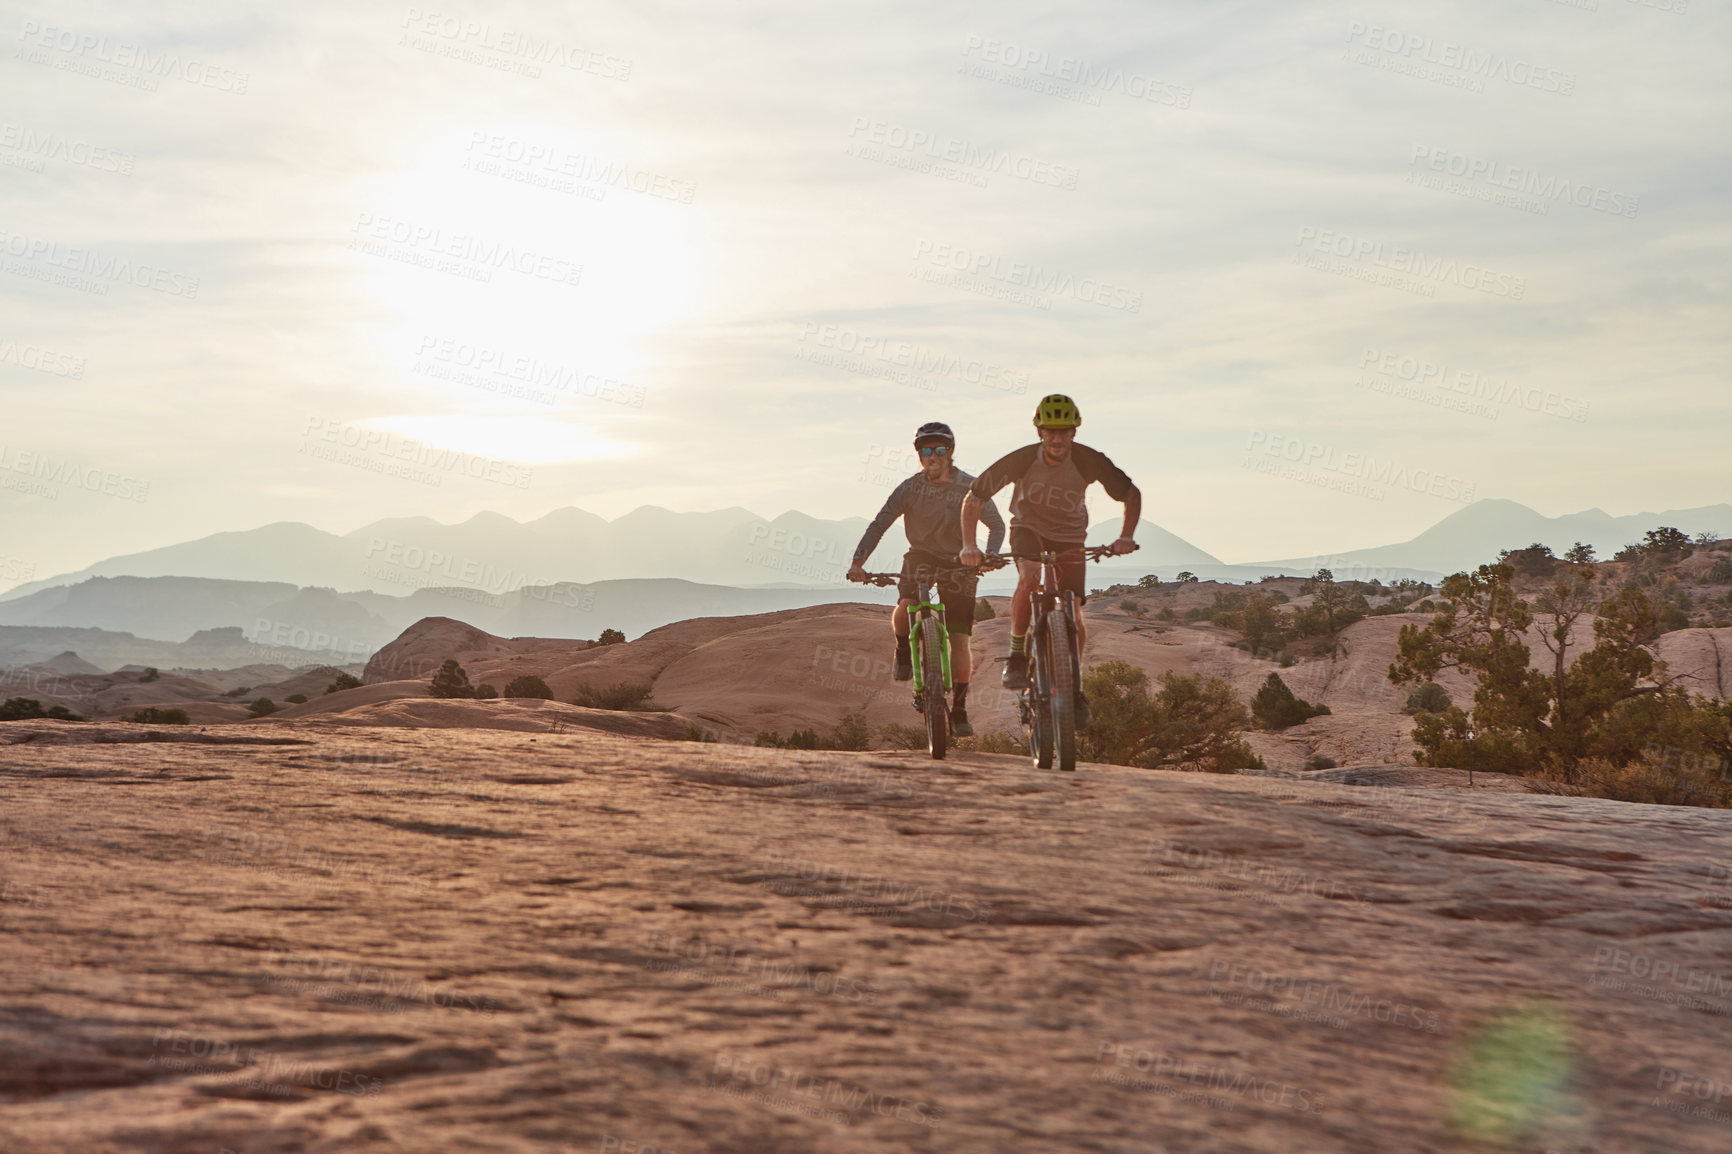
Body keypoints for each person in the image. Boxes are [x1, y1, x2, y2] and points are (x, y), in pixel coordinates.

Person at [958, 394, 1139, 728]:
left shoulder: (1088, 460)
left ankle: (1076, 689)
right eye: (1050, 431)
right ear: (1039, 431)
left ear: (1074, 432)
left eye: (1064, 431)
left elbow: (1130, 494)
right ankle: (1016, 654)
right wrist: (969, 544)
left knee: (1075, 613)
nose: (1057, 438)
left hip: (1071, 536)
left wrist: (1125, 536)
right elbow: (976, 496)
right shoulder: (1022, 459)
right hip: (1028, 529)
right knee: (1029, 579)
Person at [848, 421, 1005, 737]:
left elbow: (997, 525)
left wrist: (988, 555)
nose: (932, 456)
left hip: (962, 561)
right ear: (918, 454)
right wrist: (858, 562)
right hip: (921, 556)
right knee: (907, 603)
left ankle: (959, 710)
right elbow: (879, 524)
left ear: (950, 453)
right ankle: (903, 648)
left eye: (939, 449)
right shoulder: (909, 488)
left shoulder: (971, 488)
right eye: (925, 450)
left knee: (960, 638)